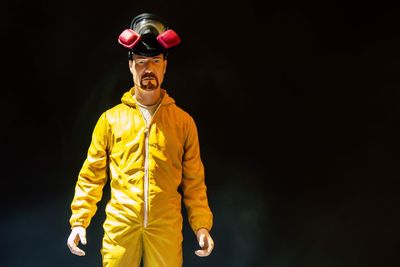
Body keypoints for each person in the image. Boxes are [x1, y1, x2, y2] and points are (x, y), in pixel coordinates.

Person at [66, 13, 214, 266]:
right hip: (120, 228)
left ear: (165, 65)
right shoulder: (110, 120)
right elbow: (92, 175)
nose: (149, 68)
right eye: (141, 61)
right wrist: (80, 221)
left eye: (156, 60)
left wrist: (201, 225)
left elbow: (194, 181)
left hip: (165, 226)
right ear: (131, 65)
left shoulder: (183, 123)